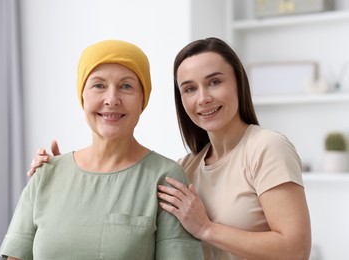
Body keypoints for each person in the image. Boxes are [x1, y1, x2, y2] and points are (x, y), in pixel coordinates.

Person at [28, 37, 312, 260]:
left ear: (238, 83)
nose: (203, 98)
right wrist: (65, 177)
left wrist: (207, 229)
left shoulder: (267, 148)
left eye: (214, 81)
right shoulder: (186, 167)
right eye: (189, 88)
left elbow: (295, 249)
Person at [0, 39, 204, 260]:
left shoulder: (166, 179)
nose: (112, 99)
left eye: (126, 86)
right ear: (82, 95)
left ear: (143, 98)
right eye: (99, 85)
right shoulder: (46, 174)